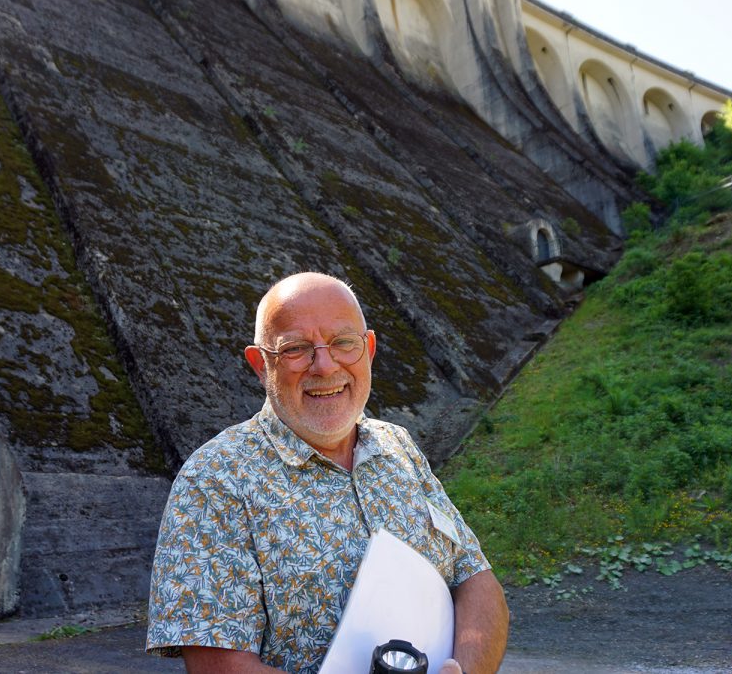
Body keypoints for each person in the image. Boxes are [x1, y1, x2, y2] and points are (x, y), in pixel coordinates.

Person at [146, 272, 509, 673]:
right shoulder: (215, 480)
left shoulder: (399, 447)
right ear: (260, 364)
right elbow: (220, 666)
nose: (324, 365)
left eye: (343, 343)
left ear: (367, 349)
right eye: (297, 349)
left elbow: (475, 579)